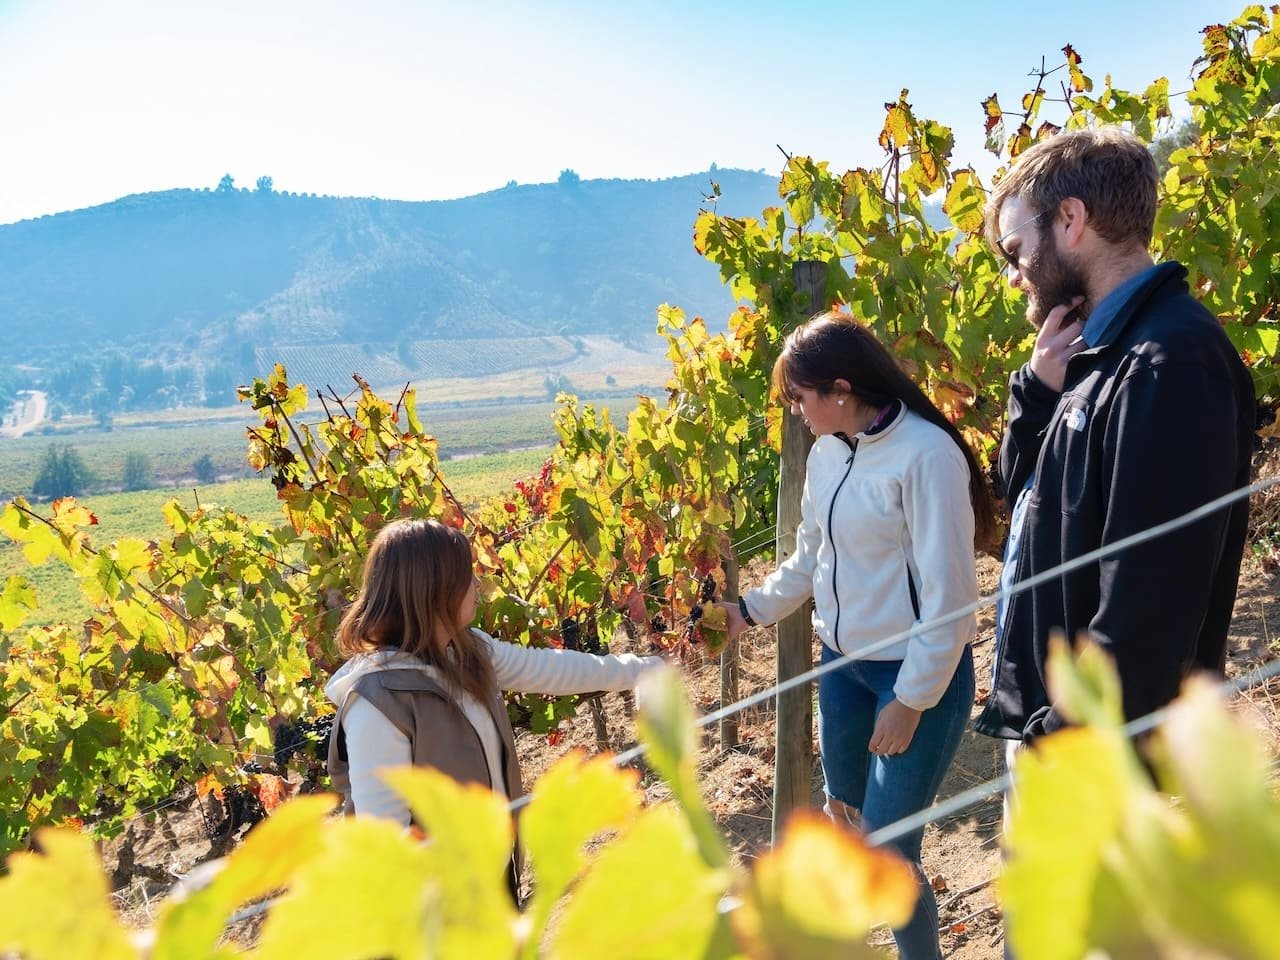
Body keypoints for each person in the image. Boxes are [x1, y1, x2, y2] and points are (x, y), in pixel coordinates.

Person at [719, 312, 996, 960]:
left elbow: (952, 598)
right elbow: (810, 557)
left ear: (840, 390)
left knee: (887, 854)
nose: (795, 411)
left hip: (912, 675)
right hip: (842, 669)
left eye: (799, 397)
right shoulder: (827, 452)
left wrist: (911, 700)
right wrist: (749, 610)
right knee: (845, 825)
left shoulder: (926, 456)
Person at [974, 127, 1255, 750]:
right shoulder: (1097, 353)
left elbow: (1147, 606)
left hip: (1093, 762)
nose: (1014, 275)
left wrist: (1064, 743)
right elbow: (1019, 494)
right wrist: (1037, 391)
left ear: (1071, 219)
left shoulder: (1167, 365)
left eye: (1015, 249)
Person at [325, 517, 662, 900]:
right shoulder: (377, 705)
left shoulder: (467, 651)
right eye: (465, 577)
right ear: (432, 591)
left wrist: (645, 671)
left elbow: (552, 670)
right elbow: (385, 846)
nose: (475, 586)